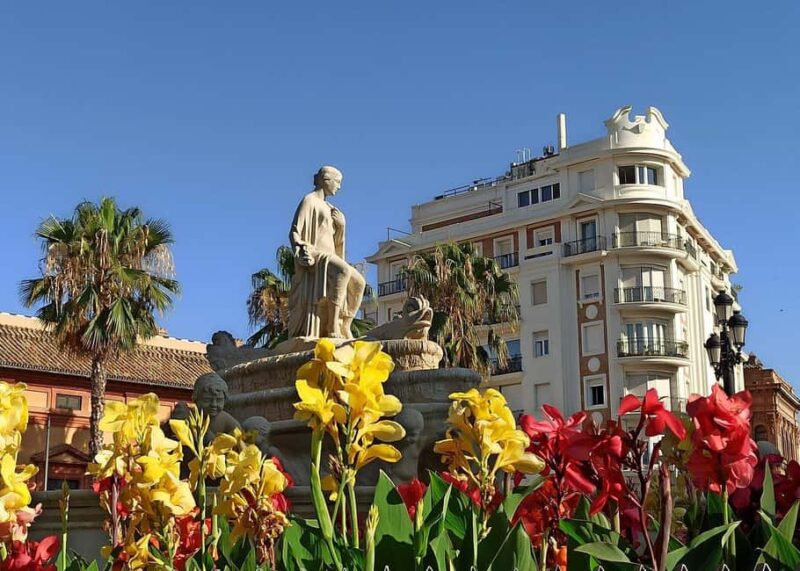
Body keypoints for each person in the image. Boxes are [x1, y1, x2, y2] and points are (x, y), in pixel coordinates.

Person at [288, 166, 366, 339]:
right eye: (337, 182)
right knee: (343, 271)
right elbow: (294, 231)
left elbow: (336, 240)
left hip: (331, 256)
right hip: (316, 254)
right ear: (326, 180)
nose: (339, 186)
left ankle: (345, 324)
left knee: (359, 283)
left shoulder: (330, 207)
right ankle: (332, 327)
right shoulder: (309, 200)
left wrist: (342, 226)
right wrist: (300, 251)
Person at [192, 372, 241, 442]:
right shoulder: (189, 416)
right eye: (207, 400)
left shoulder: (228, 422)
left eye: (219, 400)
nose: (214, 404)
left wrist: (212, 440)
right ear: (196, 399)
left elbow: (240, 443)